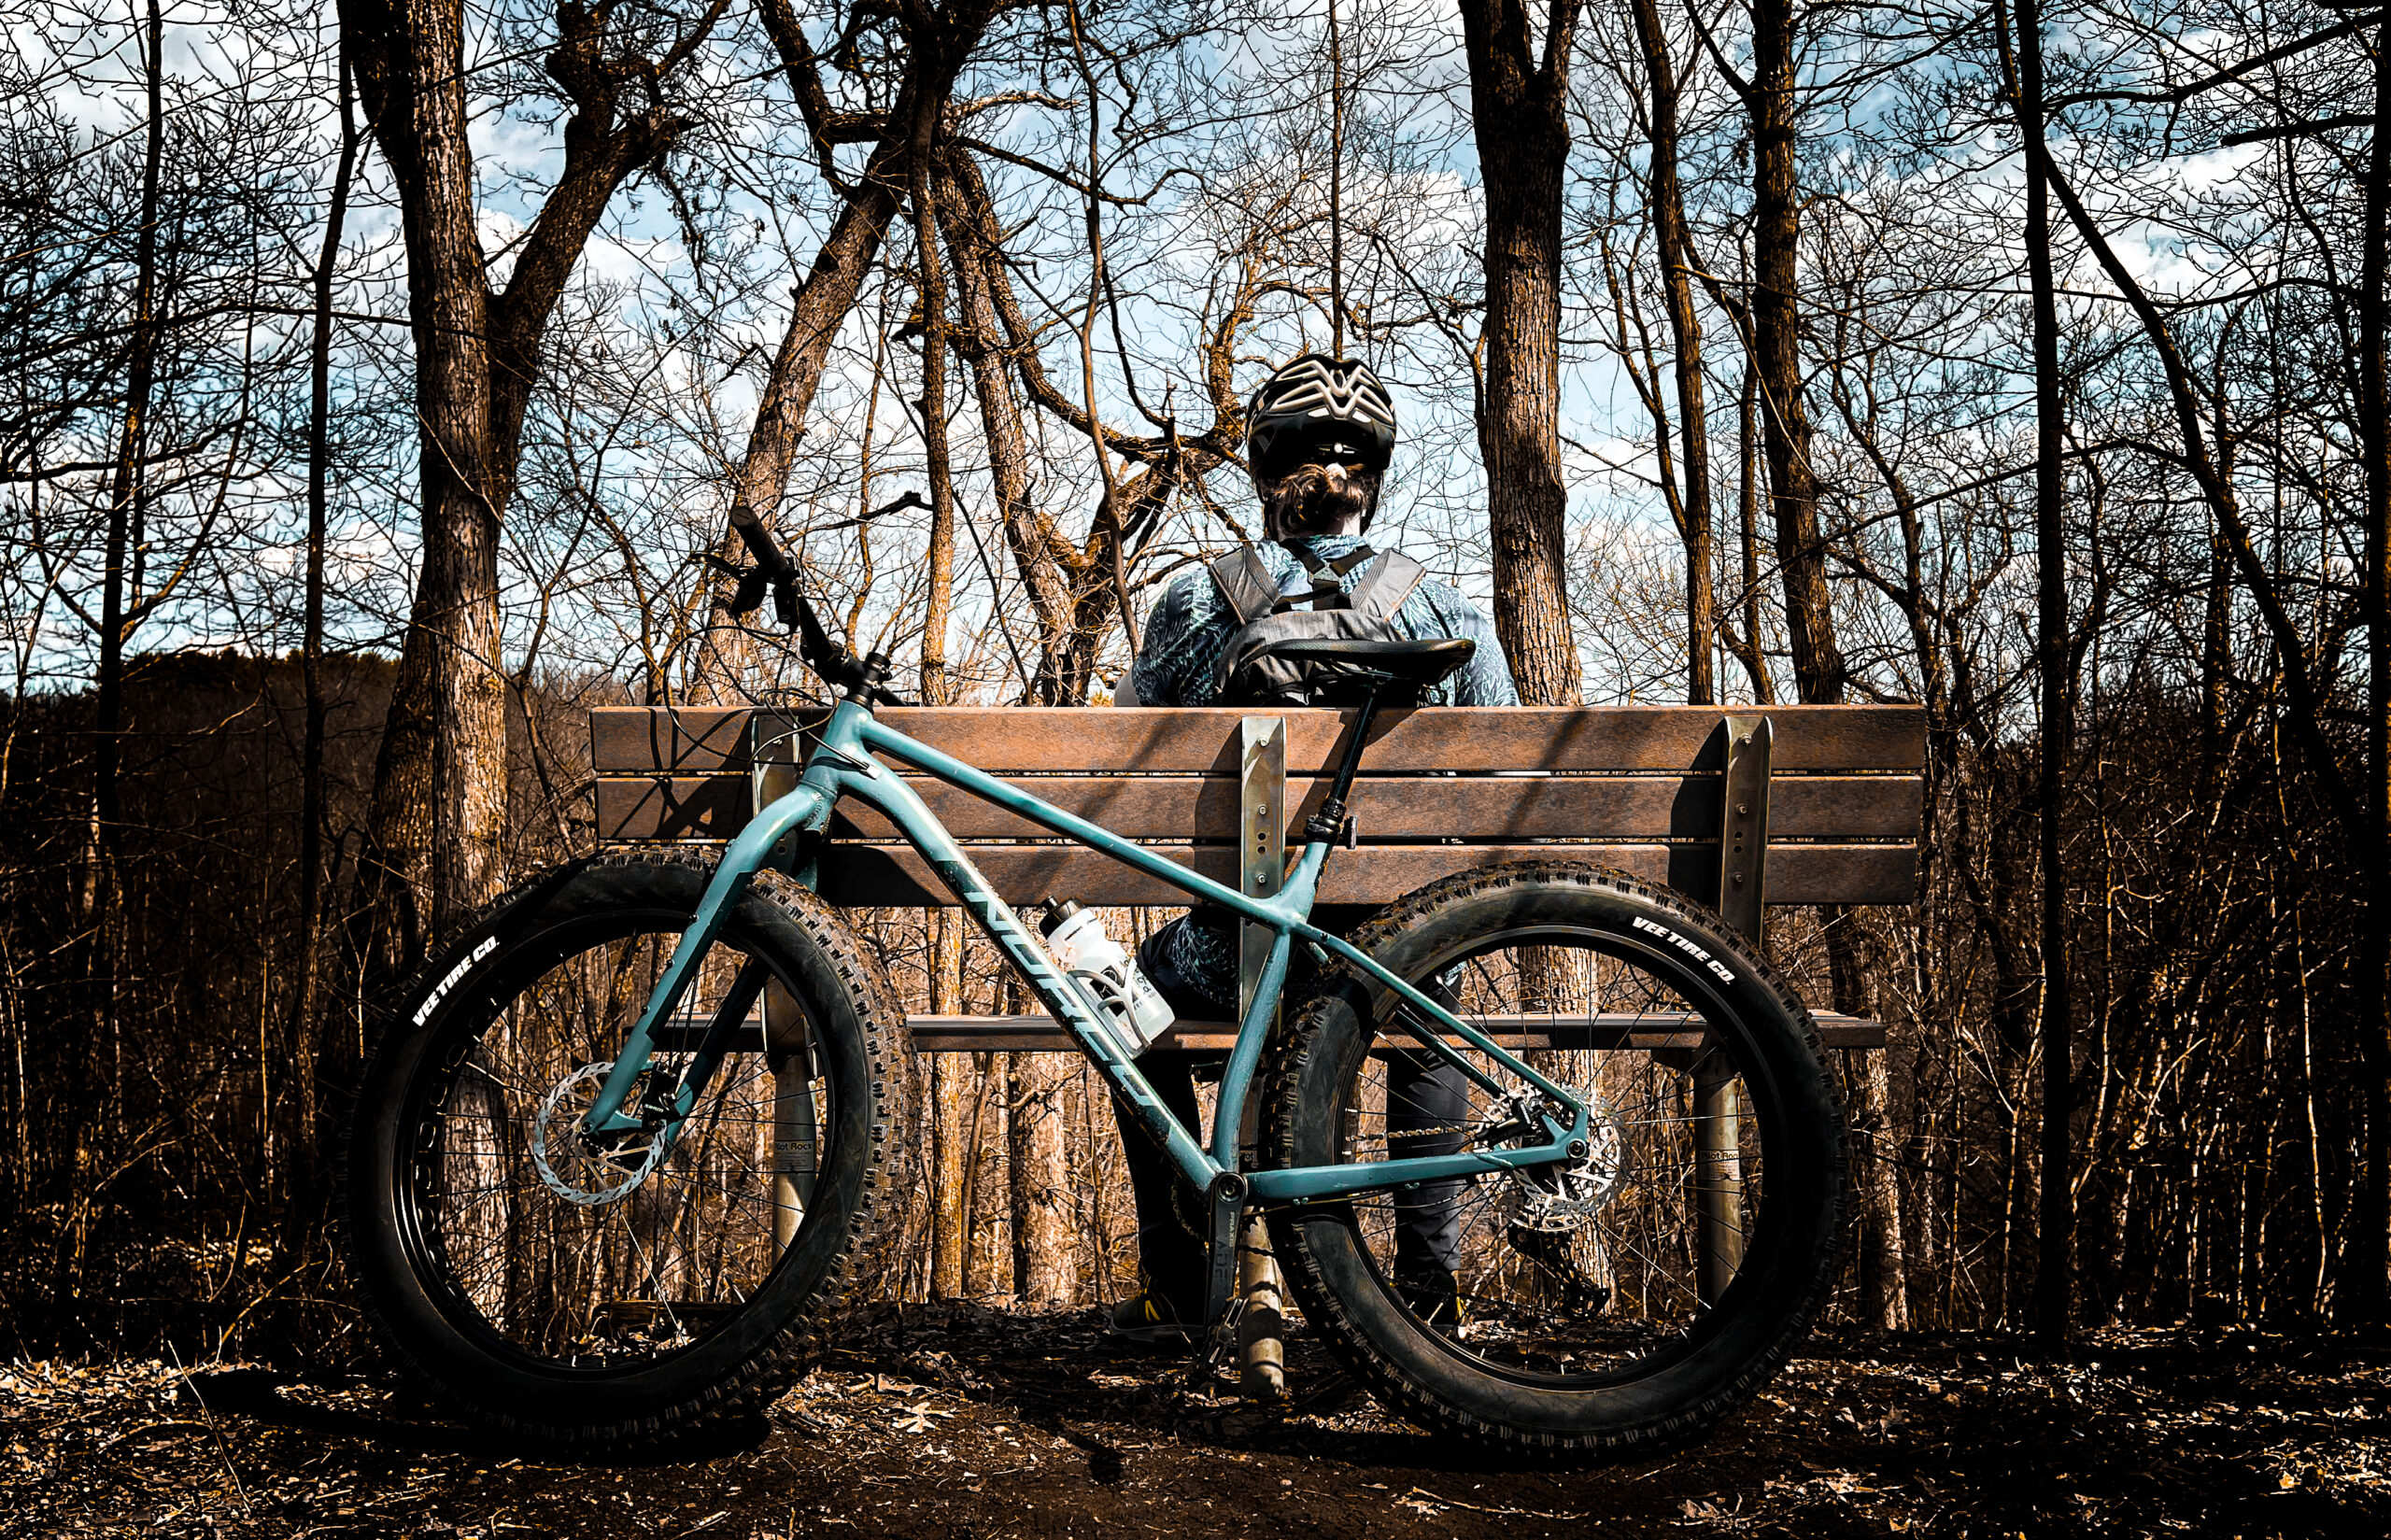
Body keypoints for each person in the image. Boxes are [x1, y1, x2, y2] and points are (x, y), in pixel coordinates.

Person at [1108, 354, 1519, 1341]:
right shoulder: (1445, 612)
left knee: (1113, 1002)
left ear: (1261, 474)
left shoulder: (1195, 603)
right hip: (1395, 957)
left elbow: (1120, 759)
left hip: (1237, 961)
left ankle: (1182, 1276)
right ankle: (1430, 1288)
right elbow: (1502, 777)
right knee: (1428, 994)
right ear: (1369, 483)